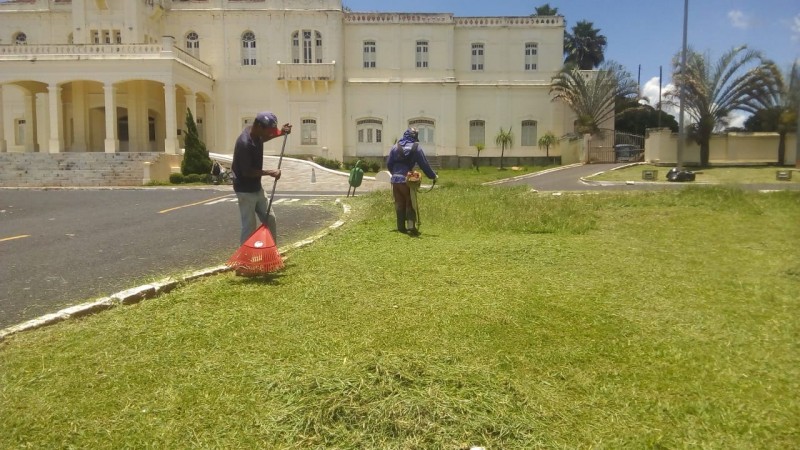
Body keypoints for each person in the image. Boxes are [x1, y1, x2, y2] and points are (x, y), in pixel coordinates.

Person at [231, 111, 292, 245]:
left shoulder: (256, 134)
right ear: (259, 126)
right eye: (268, 131)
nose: (270, 133)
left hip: (257, 188)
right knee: (249, 226)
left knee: (270, 219)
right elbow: (247, 172)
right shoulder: (244, 143)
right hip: (245, 190)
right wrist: (270, 172)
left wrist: (281, 132)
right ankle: (245, 259)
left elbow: (264, 138)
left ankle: (271, 251)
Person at [386, 127, 437, 235]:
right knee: (410, 202)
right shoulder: (416, 148)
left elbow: (389, 164)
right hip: (408, 180)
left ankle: (400, 227)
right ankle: (410, 227)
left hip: (395, 180)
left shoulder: (395, 147)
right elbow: (424, 164)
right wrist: (433, 176)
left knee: (399, 203)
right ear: (415, 136)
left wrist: (395, 174)